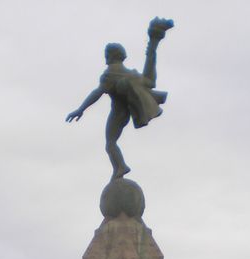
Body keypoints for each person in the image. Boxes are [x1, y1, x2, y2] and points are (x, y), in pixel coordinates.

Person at [66, 18, 175, 179]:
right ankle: (154, 41)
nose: (105, 57)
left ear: (110, 56)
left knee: (110, 143)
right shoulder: (131, 74)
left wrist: (80, 109)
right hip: (126, 112)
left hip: (118, 114)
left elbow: (97, 92)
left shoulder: (109, 74)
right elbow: (149, 82)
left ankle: (120, 167)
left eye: (106, 55)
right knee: (149, 80)